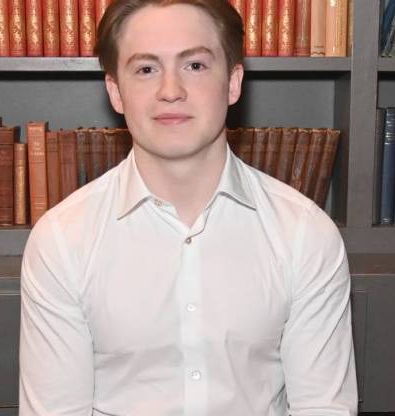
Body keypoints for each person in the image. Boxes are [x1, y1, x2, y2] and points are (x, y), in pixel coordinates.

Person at [18, 0, 358, 413]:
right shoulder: (61, 240)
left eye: (194, 65)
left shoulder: (305, 232)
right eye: (146, 69)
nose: (170, 90)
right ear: (115, 92)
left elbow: (323, 407)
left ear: (233, 83)